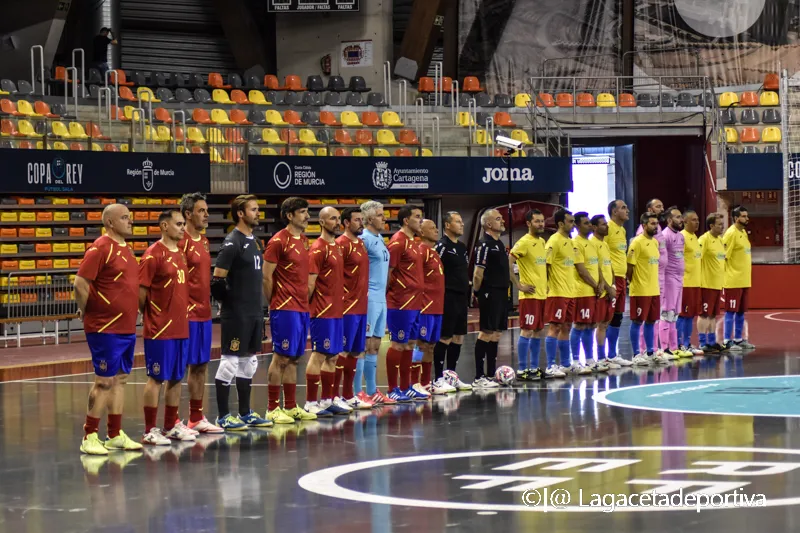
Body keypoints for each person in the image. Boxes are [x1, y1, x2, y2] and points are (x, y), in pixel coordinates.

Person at [76, 204, 143, 455]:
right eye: (125, 218)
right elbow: (80, 283)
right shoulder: (100, 248)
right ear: (110, 223)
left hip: (126, 327)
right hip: (104, 328)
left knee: (121, 379)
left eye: (130, 217)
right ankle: (89, 435)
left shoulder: (127, 249)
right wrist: (87, 310)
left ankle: (114, 434)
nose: (130, 221)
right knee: (104, 381)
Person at [211, 195, 271, 430]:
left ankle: (245, 413)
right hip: (237, 314)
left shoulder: (255, 242)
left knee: (249, 362)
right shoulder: (231, 242)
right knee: (229, 363)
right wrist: (232, 304)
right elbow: (217, 281)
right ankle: (223, 415)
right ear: (240, 213)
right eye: (254, 210)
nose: (258, 214)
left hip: (254, 312)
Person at [139, 209, 195, 445]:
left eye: (184, 224)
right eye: (179, 224)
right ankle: (150, 430)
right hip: (160, 329)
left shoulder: (181, 253)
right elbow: (141, 292)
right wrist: (153, 316)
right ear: (164, 226)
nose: (183, 228)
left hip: (180, 327)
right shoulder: (153, 255)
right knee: (156, 378)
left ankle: (171, 425)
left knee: (176, 378)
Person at [263, 197, 317, 423]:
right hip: (284, 308)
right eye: (302, 212)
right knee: (281, 357)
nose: (307, 216)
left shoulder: (304, 241)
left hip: (301, 307)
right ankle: (272, 408)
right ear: (289, 215)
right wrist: (274, 302)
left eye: (307, 212)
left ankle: (291, 406)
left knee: (295, 358)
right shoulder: (278, 241)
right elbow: (266, 276)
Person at [178, 192, 223, 434]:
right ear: (188, 214)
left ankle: (196, 417)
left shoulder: (204, 242)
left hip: (203, 313)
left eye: (207, 210)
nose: (206, 215)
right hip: (186, 314)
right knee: (180, 369)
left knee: (201, 365)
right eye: (201, 211)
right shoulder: (180, 242)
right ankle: (171, 422)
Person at [304, 207, 352, 417]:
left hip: (337, 310)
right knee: (319, 354)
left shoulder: (338, 247)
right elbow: (310, 284)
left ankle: (326, 399)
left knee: (332, 356)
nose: (337, 222)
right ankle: (310, 402)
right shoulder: (317, 248)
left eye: (339, 218)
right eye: (333, 218)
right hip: (322, 311)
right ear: (322, 222)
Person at [386, 205, 430, 401]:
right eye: (417, 217)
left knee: (411, 343)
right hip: (401, 303)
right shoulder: (397, 242)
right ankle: (392, 388)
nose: (421, 221)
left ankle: (407, 386)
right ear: (406, 220)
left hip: (416, 302)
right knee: (398, 344)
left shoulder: (414, 242)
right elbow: (388, 272)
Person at [335, 207, 374, 409]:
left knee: (355, 352)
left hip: (361, 305)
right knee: (342, 351)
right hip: (347, 307)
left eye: (362, 219)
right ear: (346, 223)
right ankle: (333, 396)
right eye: (357, 220)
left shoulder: (361, 244)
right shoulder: (341, 244)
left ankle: (348, 394)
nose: (361, 223)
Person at [359, 200, 396, 405]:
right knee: (364, 345)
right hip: (370, 297)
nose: (384, 218)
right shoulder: (363, 239)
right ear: (370, 218)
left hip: (381, 298)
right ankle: (357, 393)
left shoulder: (379, 238)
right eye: (381, 215)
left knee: (374, 345)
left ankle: (372, 391)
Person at [412, 219, 454, 394]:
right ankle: (414, 383)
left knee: (430, 345)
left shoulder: (434, 253)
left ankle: (426, 382)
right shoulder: (421, 252)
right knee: (420, 345)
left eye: (437, 228)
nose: (437, 230)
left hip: (437, 307)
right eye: (432, 228)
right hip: (425, 307)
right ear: (421, 232)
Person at [433, 212, 472, 390]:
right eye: (457, 221)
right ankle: (438, 377)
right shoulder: (441, 246)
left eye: (461, 221)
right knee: (446, 336)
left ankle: (451, 375)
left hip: (461, 296)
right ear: (447, 225)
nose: (462, 224)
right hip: (447, 296)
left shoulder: (462, 247)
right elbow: (433, 269)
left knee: (458, 337)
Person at [472, 208, 508, 388]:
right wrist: (478, 292)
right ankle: (479, 376)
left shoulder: (500, 244)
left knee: (496, 333)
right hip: (489, 292)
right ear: (488, 224)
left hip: (502, 292)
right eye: (498, 219)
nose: (502, 221)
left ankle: (491, 373)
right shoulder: (484, 244)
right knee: (486, 332)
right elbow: (478, 273)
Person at [509, 209, 547, 381]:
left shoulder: (541, 242)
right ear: (528, 223)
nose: (541, 224)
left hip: (541, 295)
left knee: (538, 331)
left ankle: (534, 368)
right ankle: (522, 369)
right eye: (537, 221)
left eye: (542, 221)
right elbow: (508, 262)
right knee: (527, 331)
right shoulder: (523, 242)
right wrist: (518, 285)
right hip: (529, 296)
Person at [627, 212, 666, 365]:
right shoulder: (636, 243)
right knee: (637, 322)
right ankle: (636, 354)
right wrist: (634, 283)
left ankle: (650, 352)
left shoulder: (655, 243)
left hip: (654, 289)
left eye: (656, 223)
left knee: (651, 321)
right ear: (643, 226)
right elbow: (629, 267)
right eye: (652, 223)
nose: (655, 226)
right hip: (640, 290)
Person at [571, 212, 606, 373]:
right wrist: (594, 284)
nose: (589, 226)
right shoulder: (576, 243)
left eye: (589, 223)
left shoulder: (591, 243)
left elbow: (596, 266)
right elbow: (581, 270)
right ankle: (576, 360)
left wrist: (601, 284)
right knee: (579, 324)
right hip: (582, 291)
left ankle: (590, 359)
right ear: (577, 226)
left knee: (591, 324)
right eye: (585, 223)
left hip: (594, 291)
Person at [543, 209, 575, 378]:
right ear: (561, 223)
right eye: (570, 221)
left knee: (567, 326)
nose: (573, 224)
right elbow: (546, 266)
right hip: (557, 292)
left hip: (570, 292)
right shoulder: (553, 241)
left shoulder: (569, 242)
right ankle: (550, 366)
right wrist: (547, 288)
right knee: (555, 327)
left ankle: (566, 363)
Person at [722, 206, 756, 350]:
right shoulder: (730, 234)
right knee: (730, 311)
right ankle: (726, 341)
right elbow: (724, 257)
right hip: (733, 280)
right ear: (735, 218)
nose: (747, 218)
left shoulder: (743, 233)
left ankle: (738, 339)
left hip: (744, 280)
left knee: (741, 312)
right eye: (743, 216)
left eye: (747, 216)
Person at [604, 200, 632, 367]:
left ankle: (612, 354)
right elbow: (601, 254)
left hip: (621, 279)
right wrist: (610, 281)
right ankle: (603, 357)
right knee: (606, 318)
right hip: (611, 280)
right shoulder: (607, 229)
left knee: (618, 317)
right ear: (614, 212)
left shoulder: (621, 230)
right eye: (623, 208)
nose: (627, 210)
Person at [659, 206, 690, 358]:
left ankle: (674, 347)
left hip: (679, 278)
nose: (681, 220)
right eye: (677, 217)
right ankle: (664, 349)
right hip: (669, 279)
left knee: (675, 314)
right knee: (667, 313)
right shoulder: (665, 235)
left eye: (681, 217)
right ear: (669, 220)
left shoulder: (681, 236)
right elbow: (662, 258)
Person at [590, 214, 619, 368]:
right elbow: (598, 269)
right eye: (603, 224)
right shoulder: (592, 244)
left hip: (610, 290)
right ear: (594, 227)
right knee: (599, 324)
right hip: (601, 291)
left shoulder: (605, 244)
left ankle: (605, 357)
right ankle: (600, 357)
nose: (606, 226)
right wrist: (607, 288)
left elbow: (609, 266)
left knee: (606, 323)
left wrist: (613, 284)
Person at [697, 213, 726, 353]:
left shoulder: (720, 240)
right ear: (711, 226)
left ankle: (712, 341)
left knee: (713, 315)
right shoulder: (704, 240)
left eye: (723, 224)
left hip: (717, 284)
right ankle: (702, 343)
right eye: (719, 224)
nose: (722, 226)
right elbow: (697, 260)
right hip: (706, 284)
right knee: (704, 314)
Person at [677, 210, 704, 355]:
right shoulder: (682, 237)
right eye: (693, 220)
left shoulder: (694, 237)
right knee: (683, 315)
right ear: (685, 221)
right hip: (685, 283)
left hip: (695, 283)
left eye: (698, 219)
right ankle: (679, 343)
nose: (697, 222)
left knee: (691, 315)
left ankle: (687, 343)